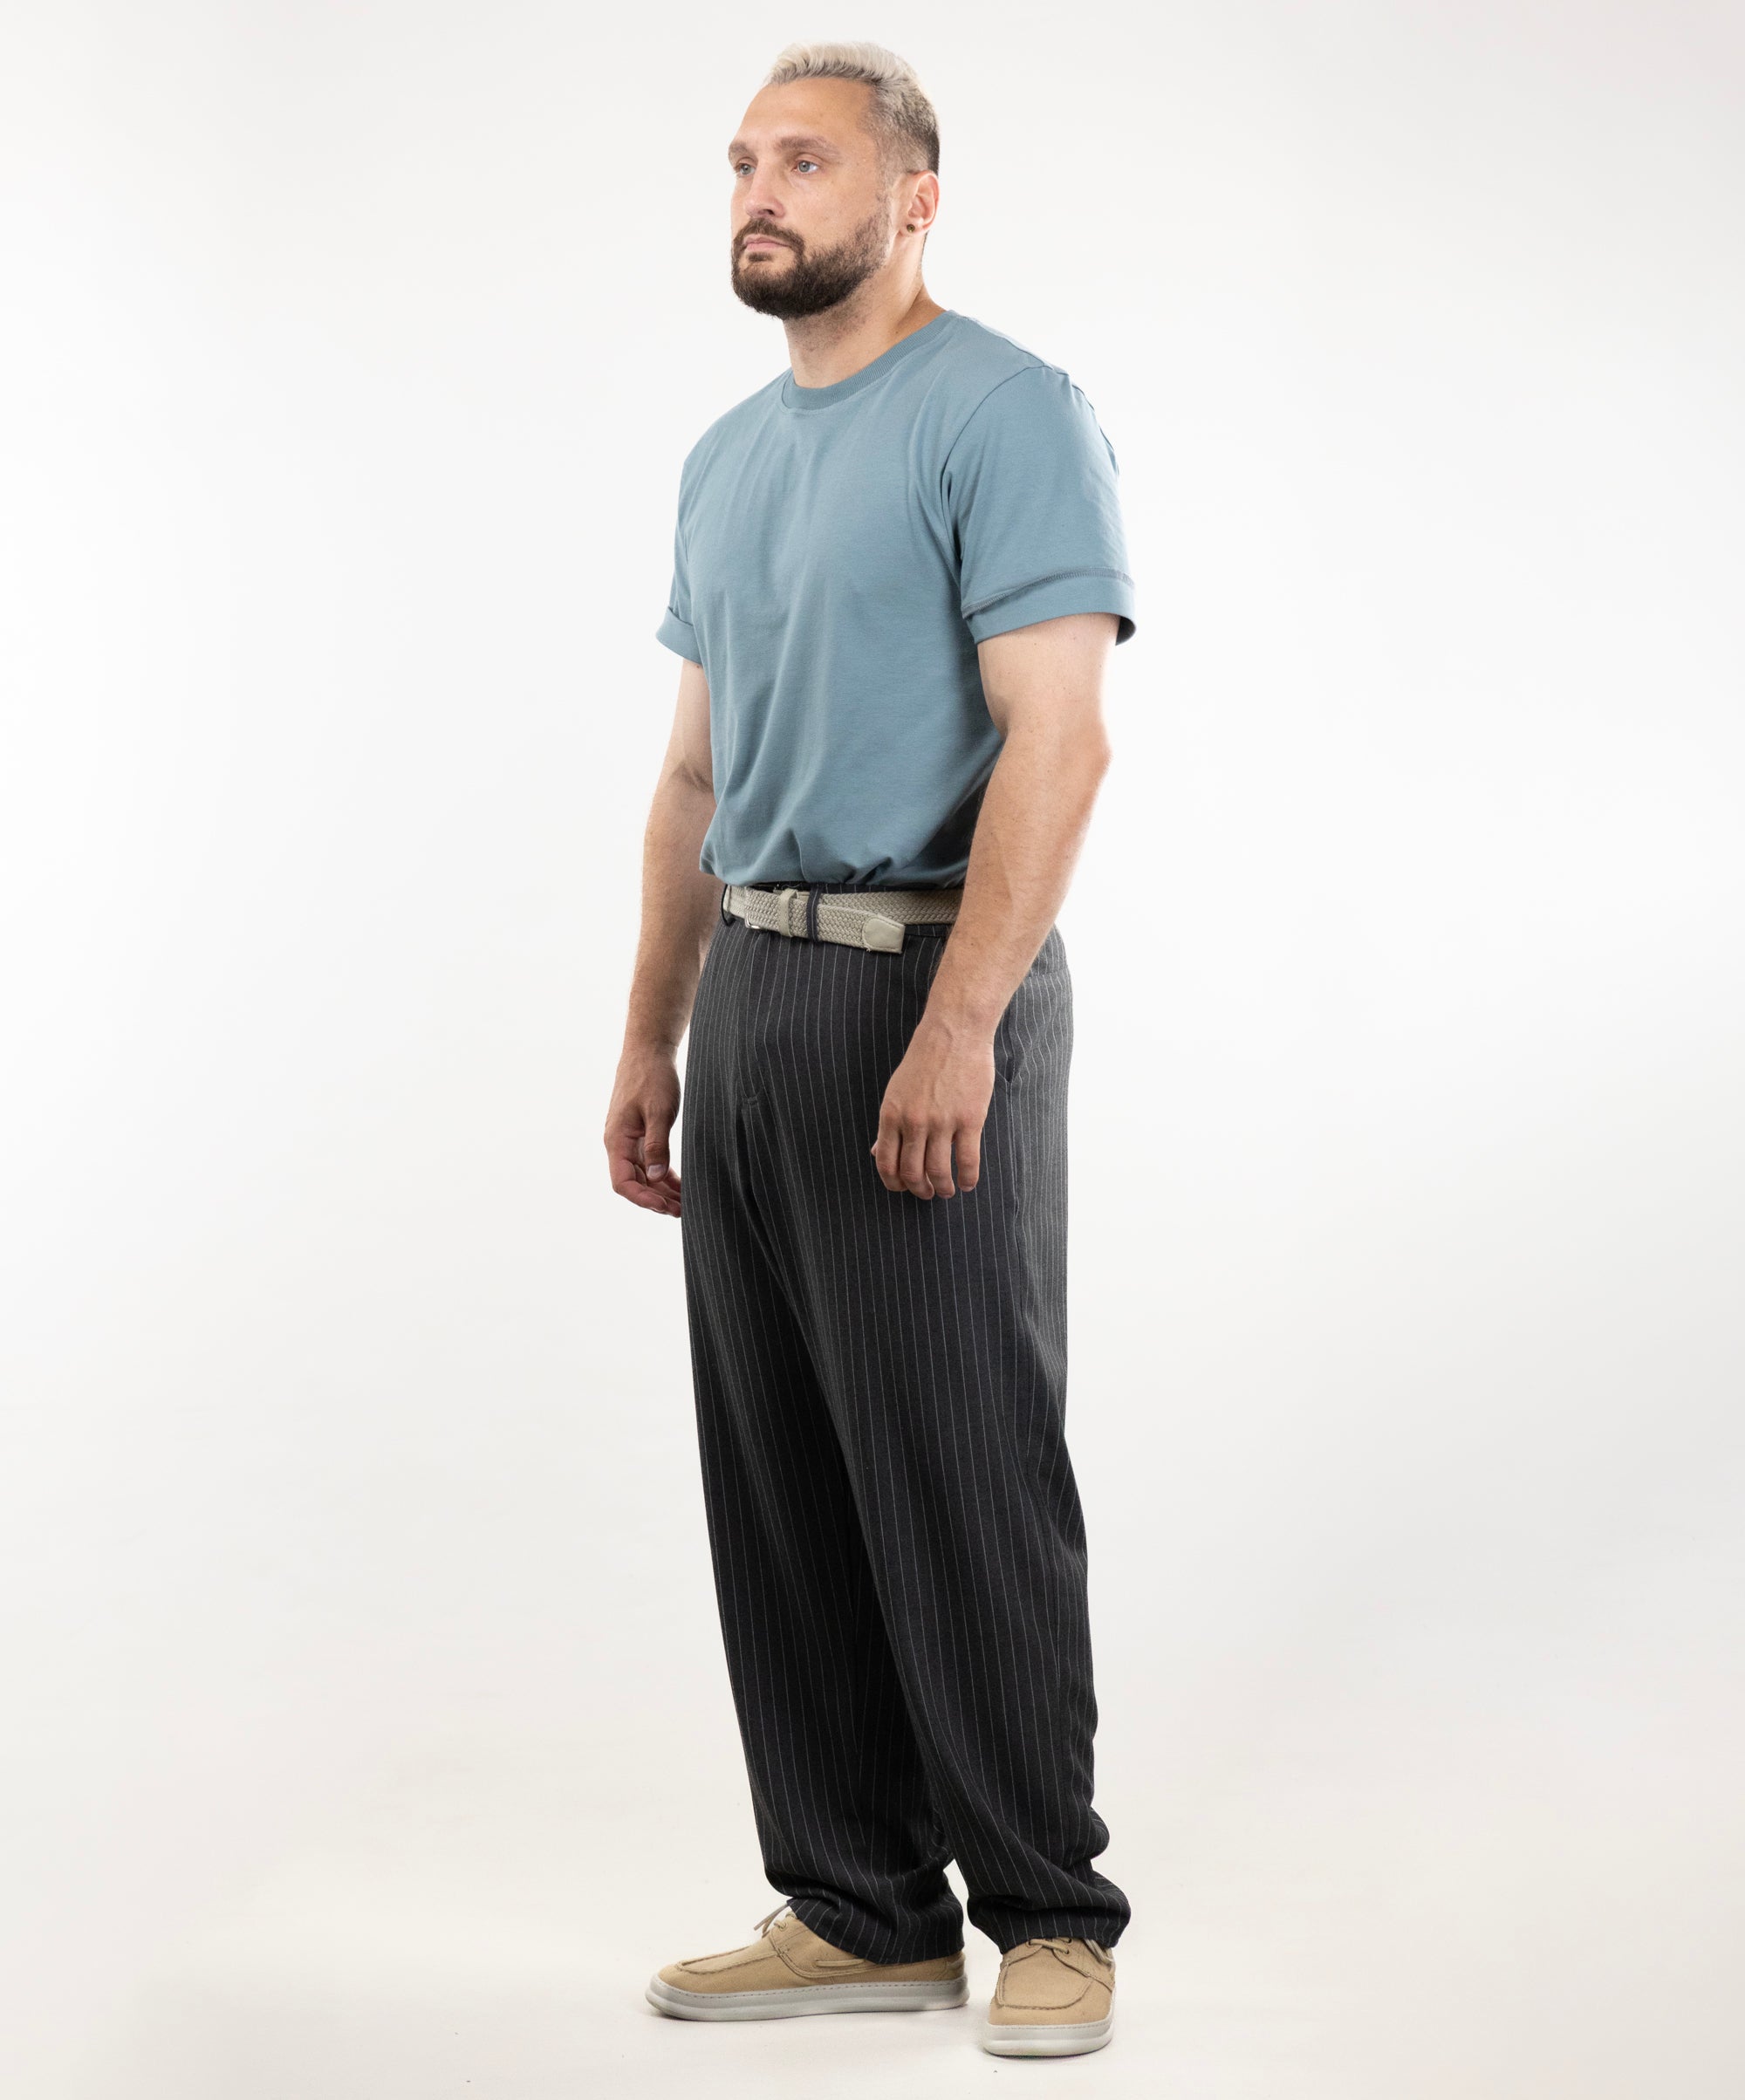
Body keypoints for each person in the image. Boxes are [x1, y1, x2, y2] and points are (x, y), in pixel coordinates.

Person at [606, 38, 1136, 2061]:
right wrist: (650, 1033)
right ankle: (859, 1903)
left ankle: (1050, 1911)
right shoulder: (725, 457)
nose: (760, 189)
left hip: (922, 981)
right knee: (781, 1474)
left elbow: (1059, 737)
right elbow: (691, 777)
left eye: (806, 161)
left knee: (960, 1460)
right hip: (750, 986)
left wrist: (964, 1022)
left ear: (913, 199)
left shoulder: (1003, 411)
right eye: (743, 159)